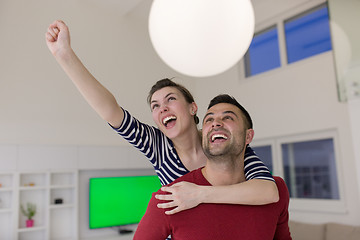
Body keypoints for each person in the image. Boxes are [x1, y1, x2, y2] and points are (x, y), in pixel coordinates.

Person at [45, 20, 279, 215]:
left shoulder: (220, 142)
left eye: (170, 99)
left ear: (192, 108)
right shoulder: (157, 145)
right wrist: (65, 55)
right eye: (155, 106)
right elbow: (110, 110)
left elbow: (268, 191)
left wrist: (199, 194)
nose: (162, 108)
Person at [134, 94, 292, 240]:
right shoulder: (172, 197)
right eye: (208, 120)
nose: (215, 123)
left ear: (248, 136)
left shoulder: (277, 189)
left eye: (228, 117)